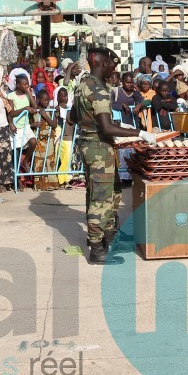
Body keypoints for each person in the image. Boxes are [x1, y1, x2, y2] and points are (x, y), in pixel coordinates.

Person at [74, 47, 158, 264]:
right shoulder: (99, 90)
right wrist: (139, 132)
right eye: (112, 63)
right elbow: (107, 127)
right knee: (101, 198)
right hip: (99, 148)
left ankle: (109, 236)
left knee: (111, 191)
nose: (115, 67)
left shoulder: (83, 84)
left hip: (91, 145)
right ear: (101, 63)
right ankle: (97, 249)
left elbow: (74, 117)